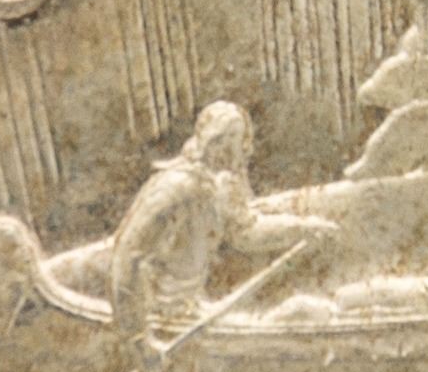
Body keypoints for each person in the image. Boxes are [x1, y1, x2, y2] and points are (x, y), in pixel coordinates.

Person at [110, 101, 335, 337]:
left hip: (194, 310)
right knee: (297, 312)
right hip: (168, 317)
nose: (247, 150)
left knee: (302, 310)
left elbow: (245, 232)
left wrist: (303, 228)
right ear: (217, 144)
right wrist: (136, 337)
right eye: (239, 142)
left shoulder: (219, 183)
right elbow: (129, 253)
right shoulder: (176, 188)